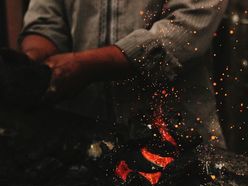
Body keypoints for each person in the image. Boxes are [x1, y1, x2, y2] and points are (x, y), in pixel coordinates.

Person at [19, 0, 227, 146]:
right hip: (80, 135)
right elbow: (45, 20)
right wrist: (31, 62)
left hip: (172, 140)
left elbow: (185, 30)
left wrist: (86, 66)